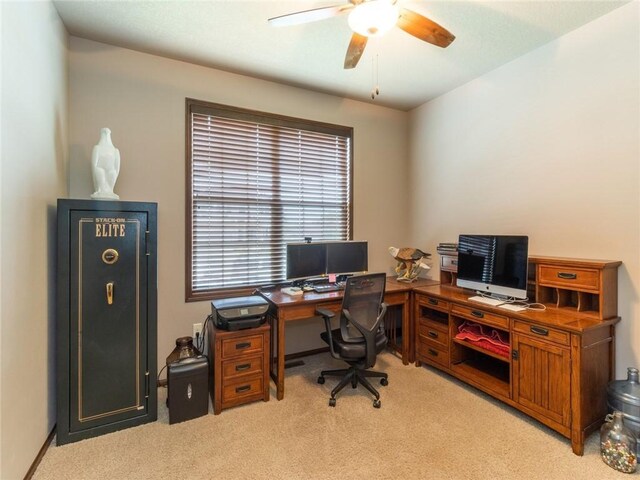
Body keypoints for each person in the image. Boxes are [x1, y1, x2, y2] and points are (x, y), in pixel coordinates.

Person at [91, 127, 120, 199]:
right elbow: (94, 166)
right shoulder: (97, 148)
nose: (106, 134)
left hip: (111, 172)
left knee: (113, 172)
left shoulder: (115, 151)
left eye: (107, 132)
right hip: (99, 171)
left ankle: (110, 191)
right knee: (99, 171)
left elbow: (117, 169)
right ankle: (100, 191)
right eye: (104, 132)